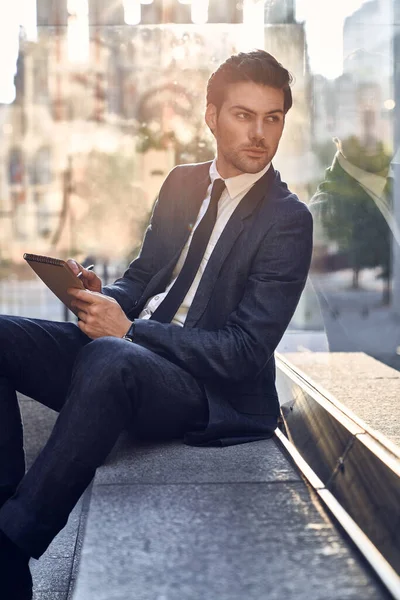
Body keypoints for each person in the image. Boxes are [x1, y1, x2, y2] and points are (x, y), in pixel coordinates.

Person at [0, 49, 313, 599]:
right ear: (211, 117)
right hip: (128, 357)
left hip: (208, 392)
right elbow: (144, 277)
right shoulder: (182, 183)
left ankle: (10, 546)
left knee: (109, 355)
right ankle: (4, 502)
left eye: (273, 118)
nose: (260, 132)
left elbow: (241, 353)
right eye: (244, 115)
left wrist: (127, 331)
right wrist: (102, 297)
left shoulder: (288, 220)